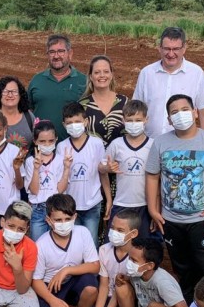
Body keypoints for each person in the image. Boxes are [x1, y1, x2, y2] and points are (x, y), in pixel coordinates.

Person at [145, 94, 204, 303]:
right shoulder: (161, 143)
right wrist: (152, 209)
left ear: (195, 113)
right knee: (181, 267)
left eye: (185, 110)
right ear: (168, 119)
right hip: (172, 220)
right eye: (174, 112)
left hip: (203, 219)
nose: (180, 115)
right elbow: (152, 175)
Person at [31, 194, 100, 307]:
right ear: (48, 220)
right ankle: (62, 305)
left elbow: (95, 266)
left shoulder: (82, 232)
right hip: (50, 286)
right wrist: (52, 300)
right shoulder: (41, 245)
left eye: (68, 219)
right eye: (58, 220)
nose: (64, 223)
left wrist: (66, 270)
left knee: (91, 286)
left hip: (73, 281)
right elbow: (35, 280)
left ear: (75, 217)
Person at [133, 26, 204, 138]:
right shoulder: (146, 73)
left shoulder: (196, 73)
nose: (171, 54)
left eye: (175, 49)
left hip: (183, 145)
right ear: (160, 48)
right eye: (167, 49)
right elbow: (136, 109)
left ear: (184, 48)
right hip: (150, 143)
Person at [85, 209, 141, 307]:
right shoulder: (104, 250)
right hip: (108, 299)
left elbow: (119, 290)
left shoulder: (136, 256)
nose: (114, 233)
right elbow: (104, 286)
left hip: (127, 301)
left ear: (133, 233)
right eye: (113, 228)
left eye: (120, 230)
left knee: (121, 287)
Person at [101, 99, 154, 239]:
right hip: (121, 203)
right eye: (129, 120)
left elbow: (158, 179)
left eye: (138, 120)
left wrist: (155, 209)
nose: (134, 124)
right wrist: (109, 199)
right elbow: (102, 170)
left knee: (143, 247)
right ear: (123, 120)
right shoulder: (116, 145)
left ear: (146, 120)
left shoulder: (153, 145)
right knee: (115, 242)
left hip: (145, 206)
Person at [55, 101, 106, 245]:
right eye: (69, 122)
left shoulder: (96, 144)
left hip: (92, 203)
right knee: (73, 243)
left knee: (91, 242)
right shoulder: (61, 146)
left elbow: (102, 172)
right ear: (64, 125)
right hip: (70, 206)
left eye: (77, 121)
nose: (74, 125)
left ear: (86, 121)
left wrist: (107, 199)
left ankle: (92, 268)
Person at [27, 34, 88, 141]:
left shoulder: (83, 81)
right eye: (52, 52)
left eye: (61, 51)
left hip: (73, 147)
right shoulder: (37, 80)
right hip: (42, 147)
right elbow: (28, 110)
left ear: (70, 53)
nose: (56, 56)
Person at [23, 120, 68, 242]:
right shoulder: (30, 162)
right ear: (35, 141)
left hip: (57, 209)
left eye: (51, 141)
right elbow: (34, 190)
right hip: (38, 209)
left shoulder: (60, 160)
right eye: (42, 141)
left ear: (56, 139)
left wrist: (67, 168)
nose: (47, 144)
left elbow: (60, 189)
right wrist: (36, 169)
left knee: (57, 242)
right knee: (37, 244)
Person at [80, 55, 127, 146]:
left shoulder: (124, 102)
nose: (102, 75)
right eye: (97, 72)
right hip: (92, 158)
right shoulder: (83, 105)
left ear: (111, 75)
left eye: (106, 72)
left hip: (120, 158)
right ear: (91, 76)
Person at [0, 76, 36, 151]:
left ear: (20, 95)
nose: (10, 95)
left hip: (26, 162)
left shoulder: (29, 116)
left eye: (14, 91)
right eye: (5, 91)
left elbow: (37, 142)